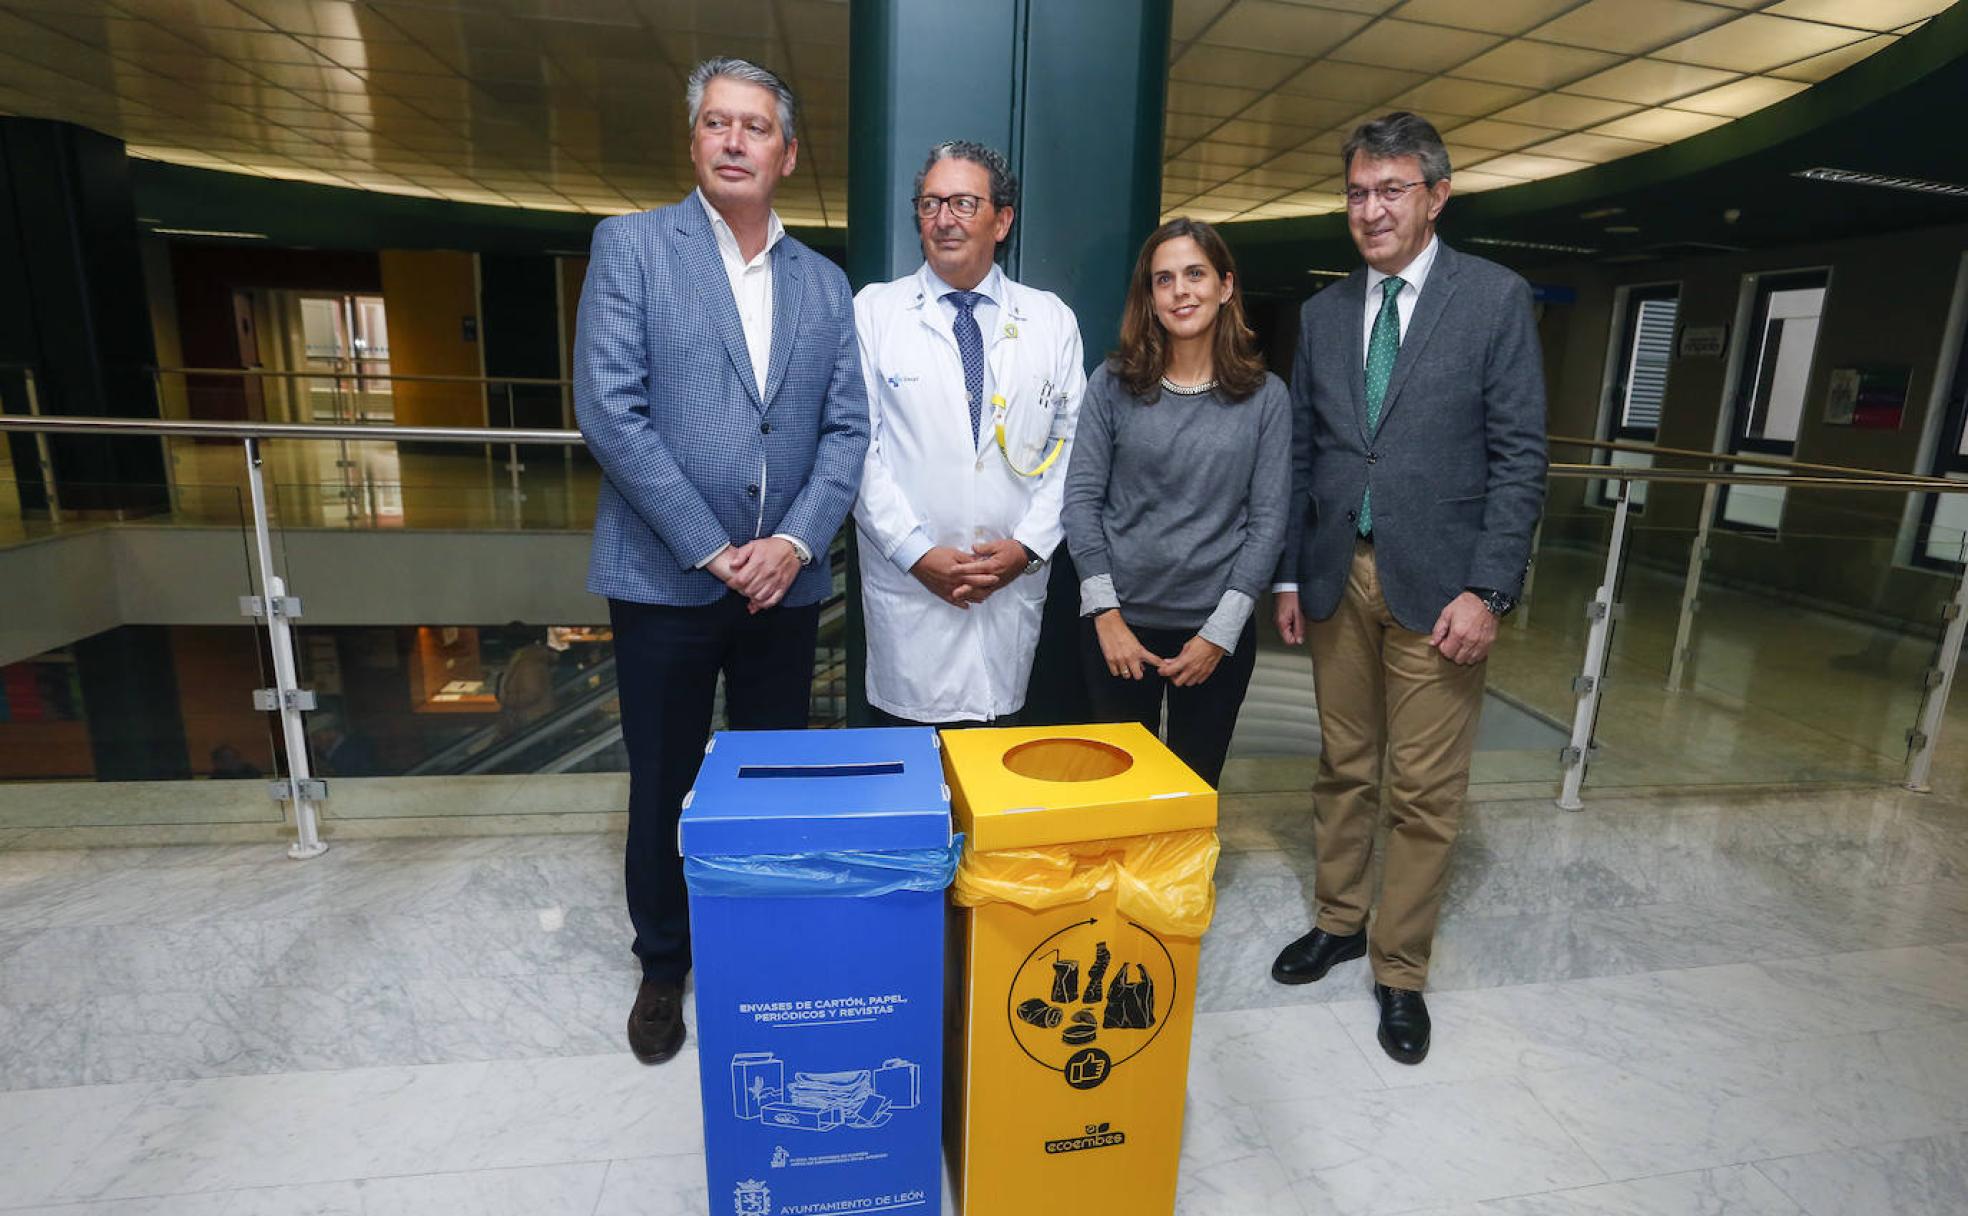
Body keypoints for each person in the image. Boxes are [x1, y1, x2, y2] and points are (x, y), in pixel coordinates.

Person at [574, 57, 869, 1066]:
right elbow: (610, 410)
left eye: (755, 126)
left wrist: (792, 542)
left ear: (787, 153)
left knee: (773, 780)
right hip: (664, 580)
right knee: (663, 780)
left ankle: (765, 942)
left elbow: (847, 429)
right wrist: (711, 548)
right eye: (715, 122)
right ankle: (665, 963)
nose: (734, 140)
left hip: (786, 586)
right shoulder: (631, 247)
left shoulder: (824, 283)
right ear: (693, 139)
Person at [1268, 112, 1547, 1066]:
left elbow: (1521, 458)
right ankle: (1339, 921)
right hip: (1338, 574)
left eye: (1391, 190)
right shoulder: (1322, 313)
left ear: (1437, 196)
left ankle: (1399, 969)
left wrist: (1489, 590)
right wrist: (1290, 572)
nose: (1371, 209)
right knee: (1343, 767)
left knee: (1423, 792)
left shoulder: (1494, 299)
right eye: (1357, 192)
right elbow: (1304, 451)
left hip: (1443, 589)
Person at [851, 141, 1084, 728]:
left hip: (1010, 592)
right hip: (911, 597)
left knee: (999, 764)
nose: (943, 219)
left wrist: (1027, 547)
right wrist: (916, 554)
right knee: (912, 770)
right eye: (930, 204)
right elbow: (856, 449)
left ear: (1002, 221)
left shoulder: (1050, 320)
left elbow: (1073, 449)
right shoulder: (874, 313)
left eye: (962, 203)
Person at [1060, 218, 1289, 786]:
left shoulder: (1266, 398)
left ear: (1225, 286)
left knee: (1193, 794)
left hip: (1215, 633)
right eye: (1164, 279)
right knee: (1119, 797)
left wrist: (1218, 635)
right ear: (1150, 296)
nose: (1180, 291)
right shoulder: (1112, 383)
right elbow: (1081, 501)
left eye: (1195, 274)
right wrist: (1106, 617)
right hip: (1118, 629)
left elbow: (1267, 523)